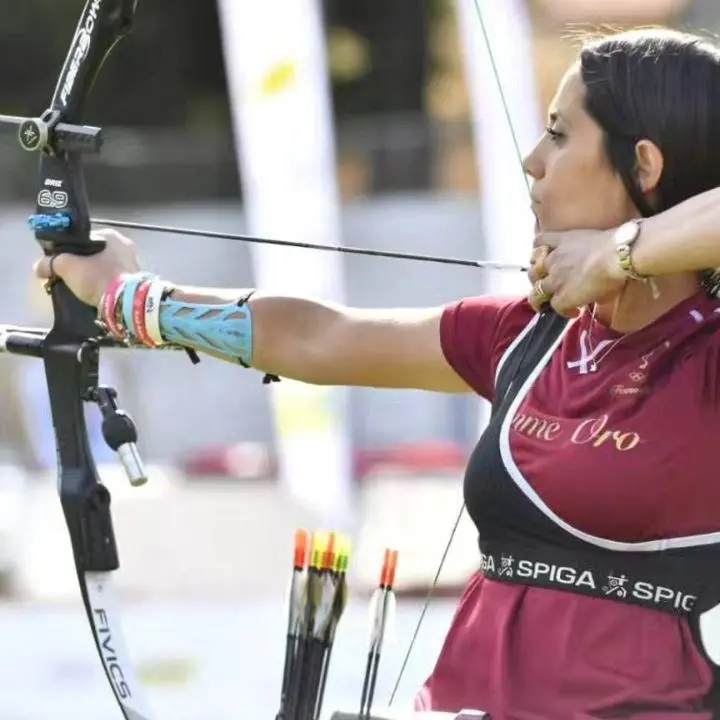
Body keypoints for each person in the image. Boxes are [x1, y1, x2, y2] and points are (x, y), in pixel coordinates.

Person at [33, 26, 720, 719]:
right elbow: (321, 338)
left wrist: (616, 257)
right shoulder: (530, 337)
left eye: (560, 135)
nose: (531, 159)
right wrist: (130, 295)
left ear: (645, 164)